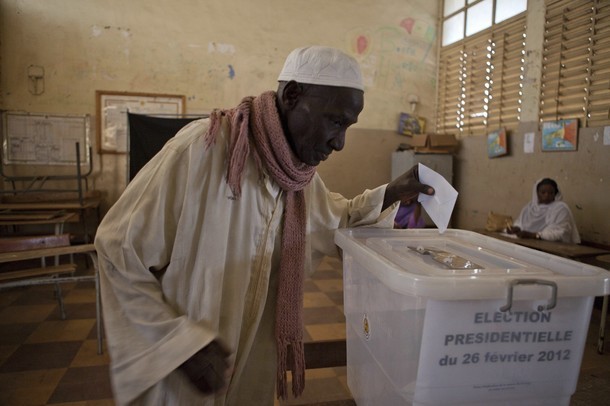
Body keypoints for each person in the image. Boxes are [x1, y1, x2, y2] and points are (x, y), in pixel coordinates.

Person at [94, 45, 434, 406]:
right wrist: (176, 344)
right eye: (335, 121)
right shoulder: (204, 149)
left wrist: (390, 194)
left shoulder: (299, 180)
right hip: (185, 375)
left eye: (348, 127)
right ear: (291, 95)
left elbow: (338, 224)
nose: (340, 142)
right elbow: (118, 250)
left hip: (251, 368)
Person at [506, 177, 580, 244]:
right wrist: (516, 228)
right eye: (543, 192)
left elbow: (560, 233)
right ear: (537, 193)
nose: (547, 195)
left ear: (555, 194)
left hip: (553, 247)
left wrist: (534, 235)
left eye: (551, 193)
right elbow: (520, 222)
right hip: (527, 243)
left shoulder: (560, 208)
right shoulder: (530, 207)